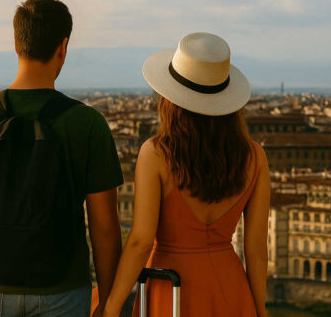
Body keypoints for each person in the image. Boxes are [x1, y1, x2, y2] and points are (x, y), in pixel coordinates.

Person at [0, 0, 123, 317]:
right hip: (62, 292)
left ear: (16, 46)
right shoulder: (88, 123)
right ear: (62, 48)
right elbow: (104, 228)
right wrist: (108, 302)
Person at [101, 32, 270, 317]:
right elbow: (255, 248)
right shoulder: (255, 157)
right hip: (231, 289)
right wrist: (259, 309)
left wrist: (111, 307)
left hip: (170, 288)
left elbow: (141, 241)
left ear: (170, 98)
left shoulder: (154, 154)